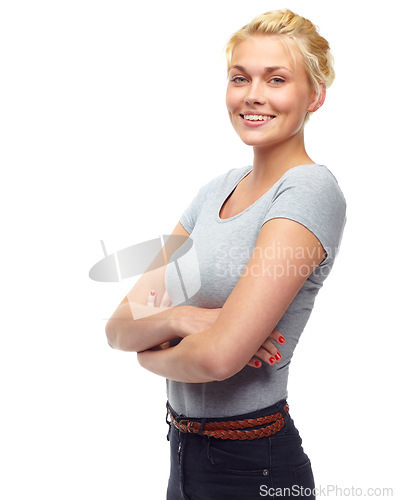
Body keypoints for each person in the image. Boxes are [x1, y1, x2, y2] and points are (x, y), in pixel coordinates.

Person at [105, 8, 347, 500]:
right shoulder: (212, 192)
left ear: (315, 95)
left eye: (276, 79)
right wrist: (185, 320)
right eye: (240, 78)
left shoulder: (309, 190)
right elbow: (119, 326)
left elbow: (218, 359)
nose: (253, 94)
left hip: (254, 466)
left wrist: (146, 355)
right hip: (182, 454)